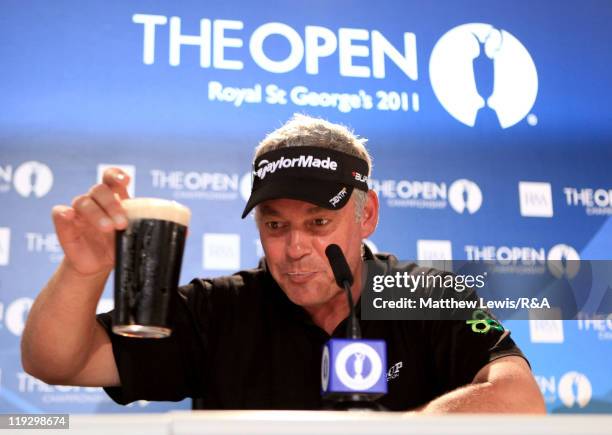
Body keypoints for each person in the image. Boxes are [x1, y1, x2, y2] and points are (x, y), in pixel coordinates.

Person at [21, 114, 545, 412]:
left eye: (318, 224)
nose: (294, 248)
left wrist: (402, 429)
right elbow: (57, 362)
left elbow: (519, 398)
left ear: (367, 217)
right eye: (275, 225)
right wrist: (83, 270)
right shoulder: (218, 309)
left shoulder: (427, 294)